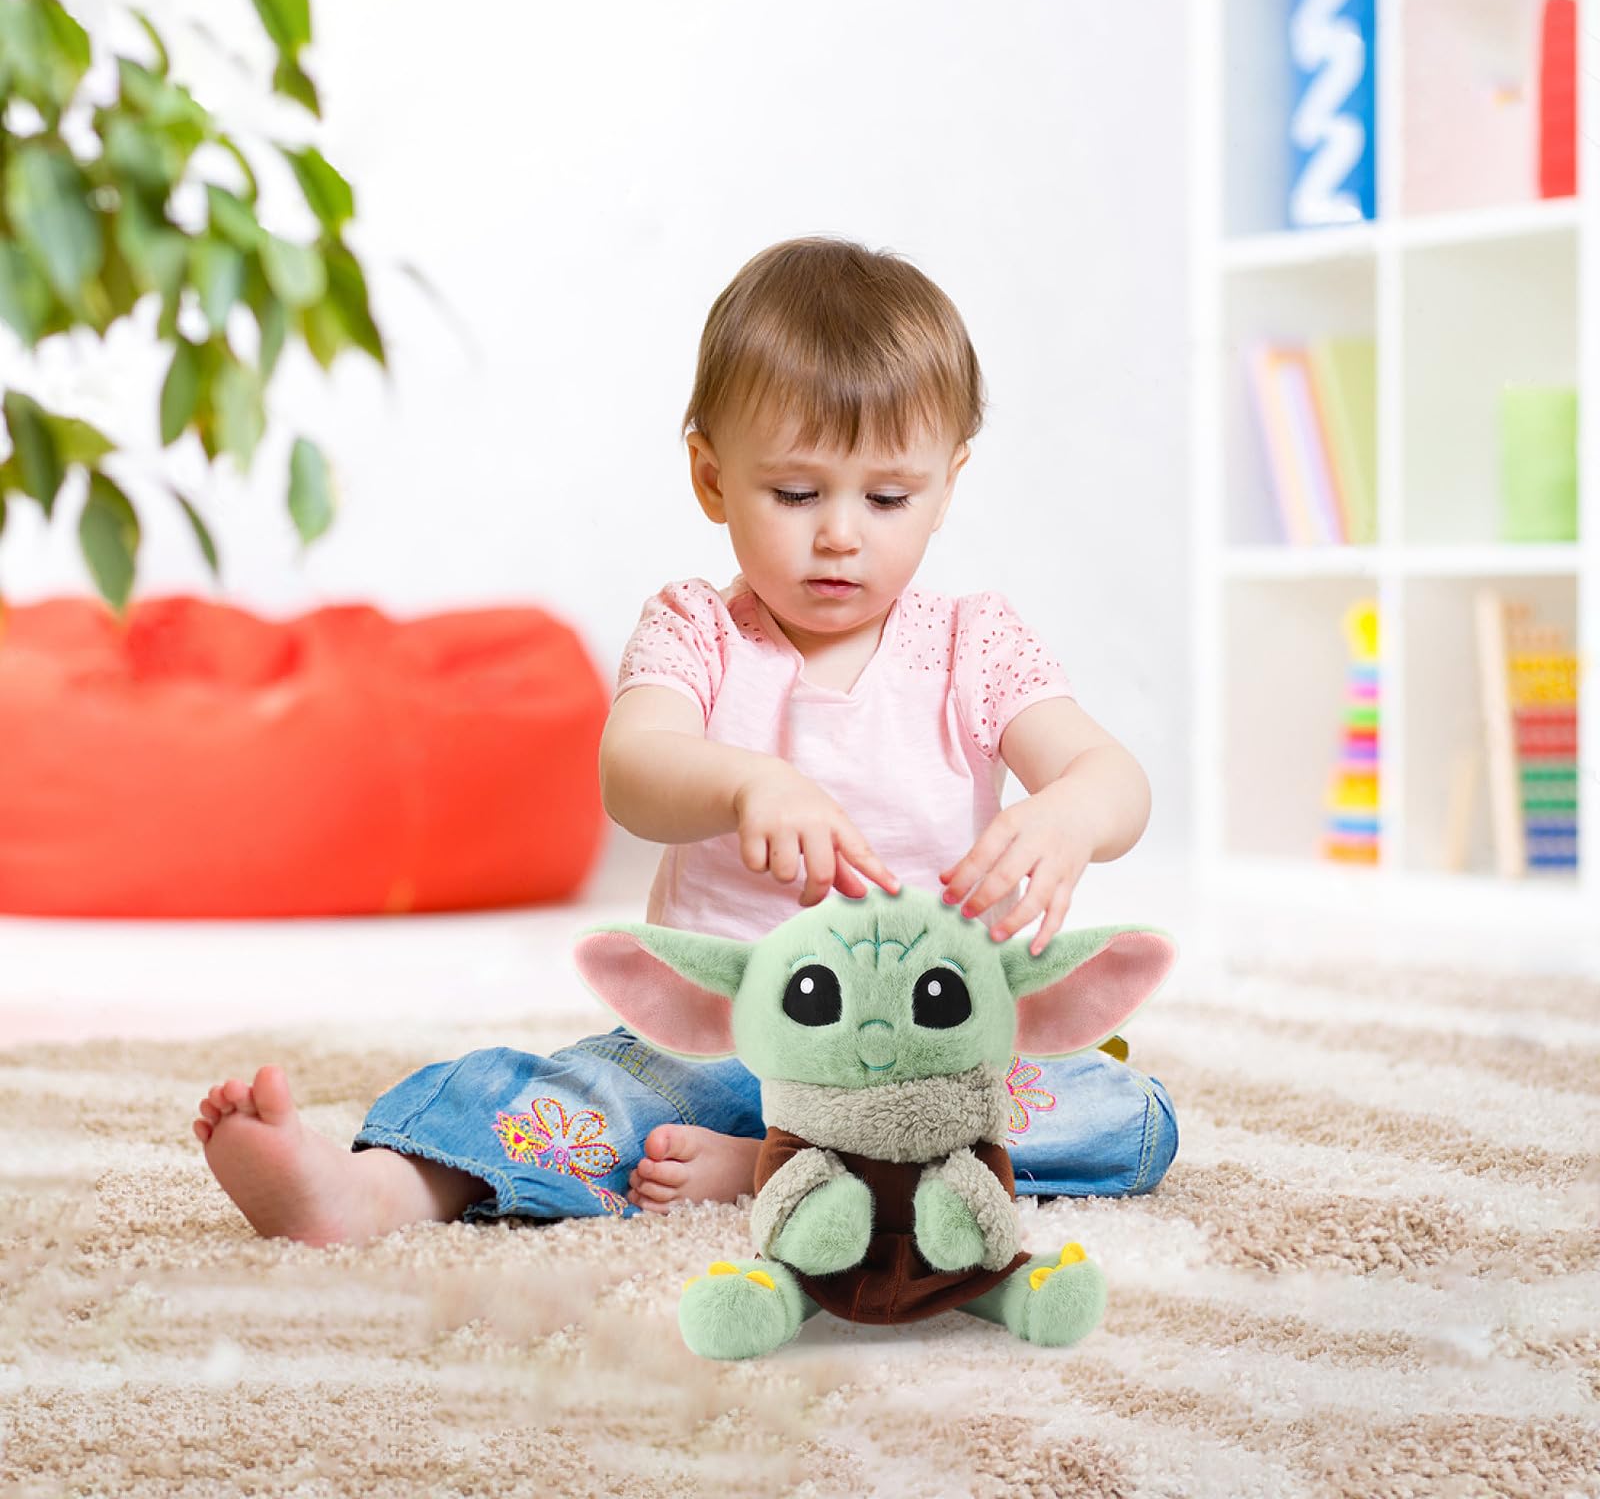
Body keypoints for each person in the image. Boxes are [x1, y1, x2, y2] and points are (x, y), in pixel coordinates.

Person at [192, 236, 1178, 1245]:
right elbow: (632, 768)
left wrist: (1070, 814)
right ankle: (378, 1191)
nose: (841, 533)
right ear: (711, 477)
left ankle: (774, 1169)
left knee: (1123, 1115)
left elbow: (1112, 775)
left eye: (887, 498)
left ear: (948, 483)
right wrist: (746, 784)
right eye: (795, 493)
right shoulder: (696, 630)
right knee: (579, 1102)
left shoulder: (975, 644)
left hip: (928, 1059)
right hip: (721, 1048)